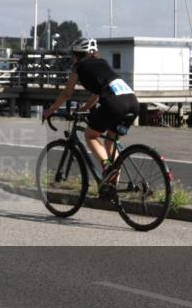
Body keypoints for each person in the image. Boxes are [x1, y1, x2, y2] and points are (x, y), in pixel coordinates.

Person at [41, 38, 139, 198]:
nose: (72, 58)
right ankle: (111, 187)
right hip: (132, 102)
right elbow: (98, 92)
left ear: (77, 55)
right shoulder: (102, 63)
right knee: (110, 141)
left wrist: (50, 110)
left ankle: (107, 168)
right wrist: (85, 108)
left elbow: (67, 93)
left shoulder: (78, 66)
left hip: (115, 103)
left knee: (90, 135)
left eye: (73, 55)